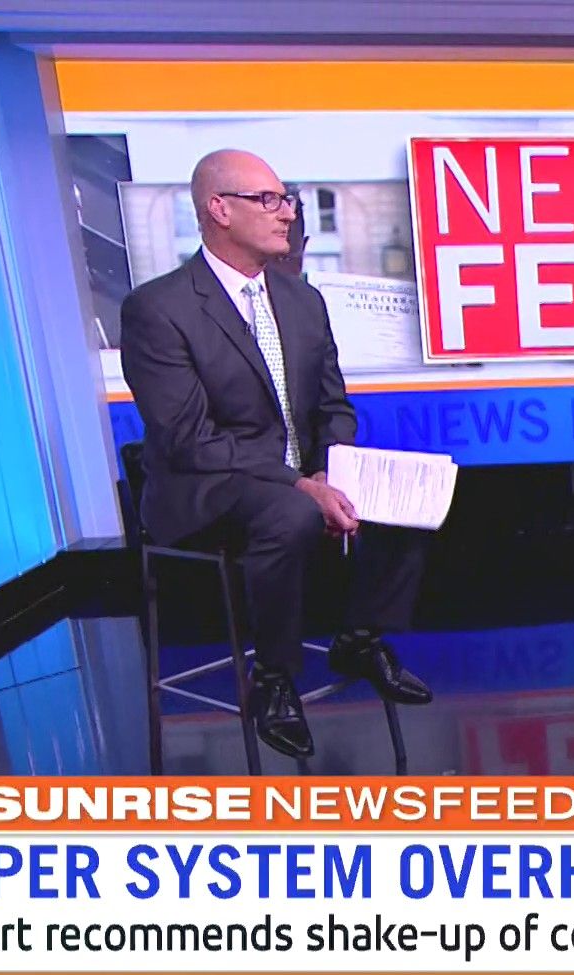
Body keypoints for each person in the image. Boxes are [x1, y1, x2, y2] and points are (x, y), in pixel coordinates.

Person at [121, 149, 433, 761]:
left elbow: (333, 405)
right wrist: (299, 485)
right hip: (206, 487)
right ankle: (274, 678)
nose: (287, 212)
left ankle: (359, 638)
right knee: (288, 514)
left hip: (298, 478)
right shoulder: (158, 308)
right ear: (219, 210)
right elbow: (189, 438)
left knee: (406, 494)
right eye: (268, 200)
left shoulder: (301, 300)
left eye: (286, 199)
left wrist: (332, 468)